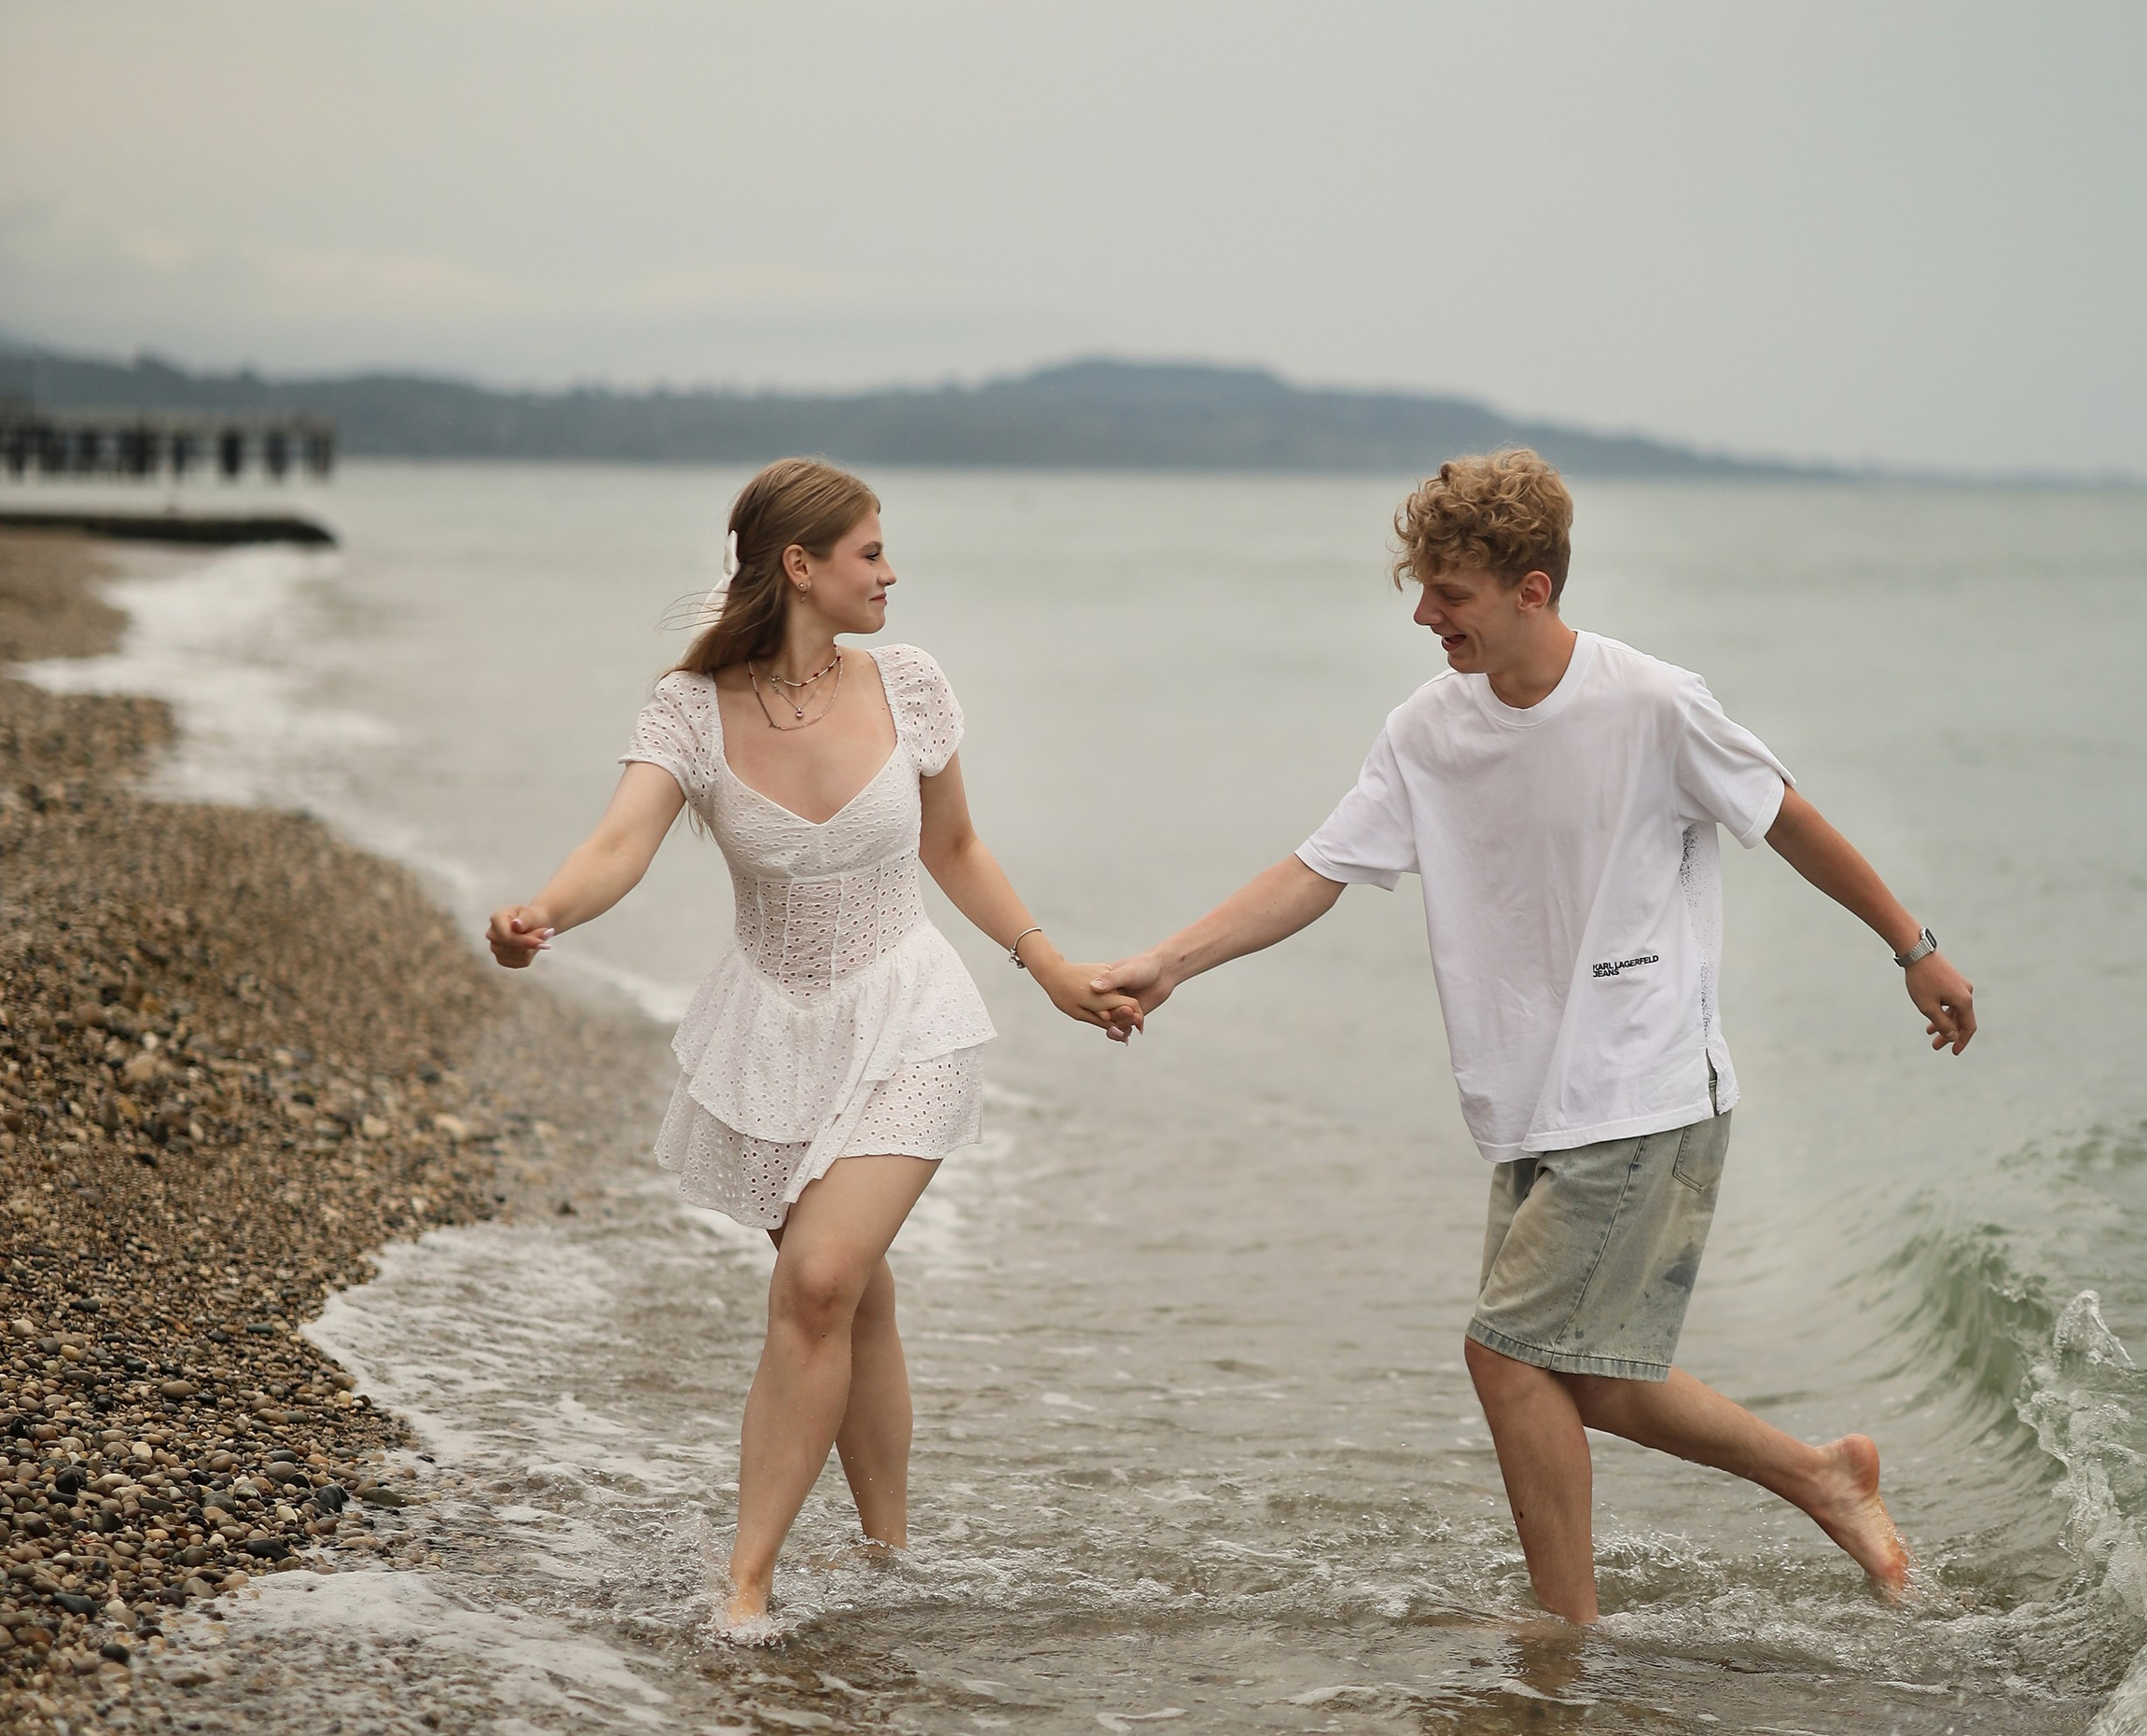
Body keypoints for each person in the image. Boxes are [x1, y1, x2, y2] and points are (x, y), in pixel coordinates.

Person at [1089, 451, 1975, 1624]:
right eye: (1421, 586)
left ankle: (1565, 1636)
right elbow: (1318, 870)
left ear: (1533, 589)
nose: (1422, 614)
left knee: (1507, 1356)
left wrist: (1913, 950)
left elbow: (1788, 819)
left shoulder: (1651, 704)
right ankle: (1821, 1477)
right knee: (1583, 1378)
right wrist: (1170, 963)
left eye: (1448, 592)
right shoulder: (1426, 729)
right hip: (1528, 1098)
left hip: (1644, 1083)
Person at [487, 458, 1139, 1634]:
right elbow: (621, 841)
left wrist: (1050, 969)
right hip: (775, 1029)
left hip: (909, 1010)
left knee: (821, 1278)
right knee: (854, 1296)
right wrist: (544, 913)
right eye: (870, 553)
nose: (892, 573)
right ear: (801, 567)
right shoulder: (691, 708)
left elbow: (957, 847)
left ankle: (747, 1580)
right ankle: (891, 1557)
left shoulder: (912, 684)